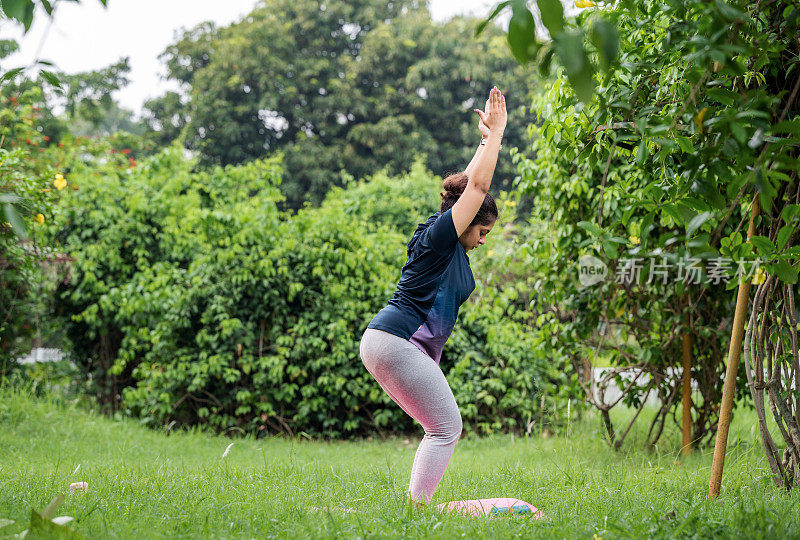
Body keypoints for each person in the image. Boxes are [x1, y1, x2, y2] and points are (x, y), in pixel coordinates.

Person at [359, 86, 507, 505]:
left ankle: (416, 508)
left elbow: (467, 191)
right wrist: (497, 134)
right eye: (482, 232)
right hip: (395, 340)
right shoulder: (442, 238)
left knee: (440, 426)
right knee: (445, 427)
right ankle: (418, 511)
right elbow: (475, 191)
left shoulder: (446, 236)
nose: (482, 241)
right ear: (463, 224)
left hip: (391, 342)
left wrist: (483, 141)